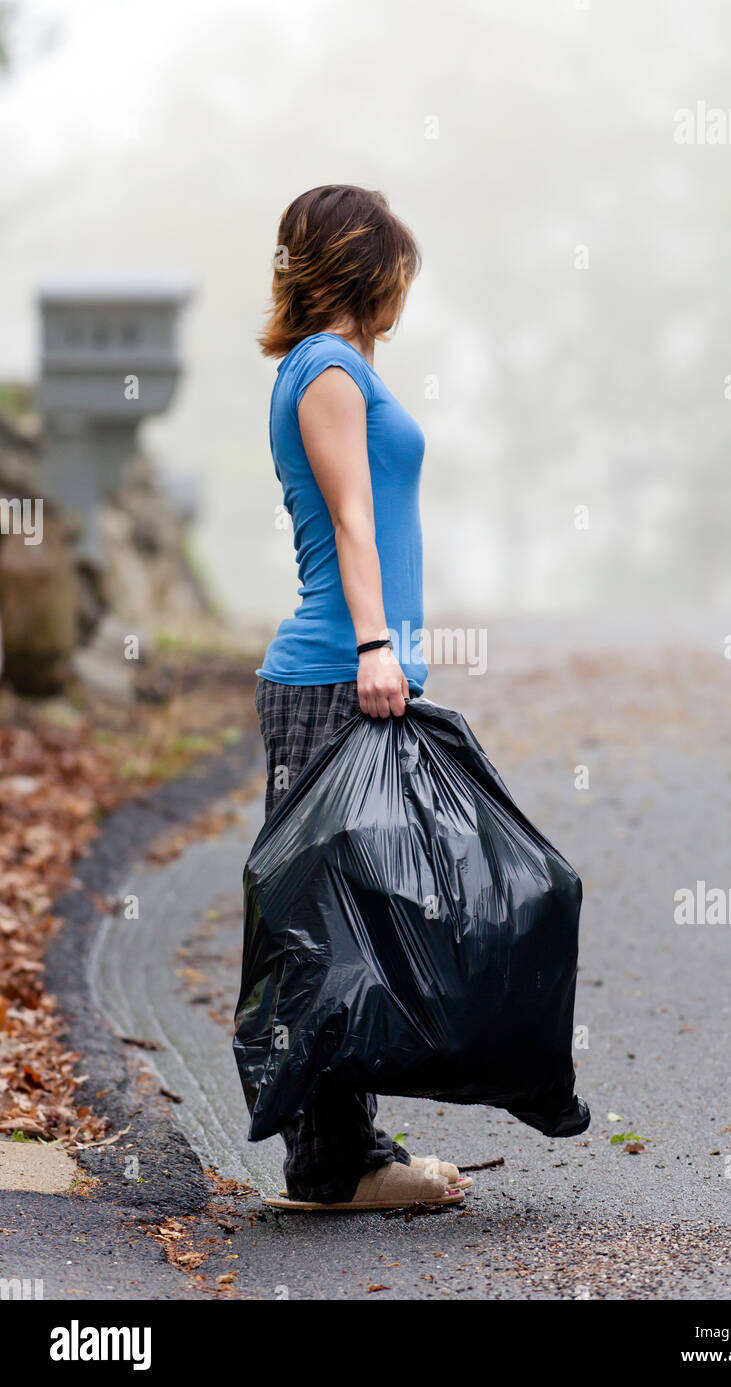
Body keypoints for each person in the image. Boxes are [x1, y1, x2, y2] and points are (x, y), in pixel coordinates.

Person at [252, 185, 469, 1211]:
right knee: (331, 928)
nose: (401, 295)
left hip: (350, 671)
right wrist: (379, 644)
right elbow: (351, 520)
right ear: (367, 270)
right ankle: (338, 1164)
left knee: (354, 920)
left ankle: (342, 1149)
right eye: (396, 274)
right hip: (336, 671)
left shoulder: (334, 367)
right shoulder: (329, 371)